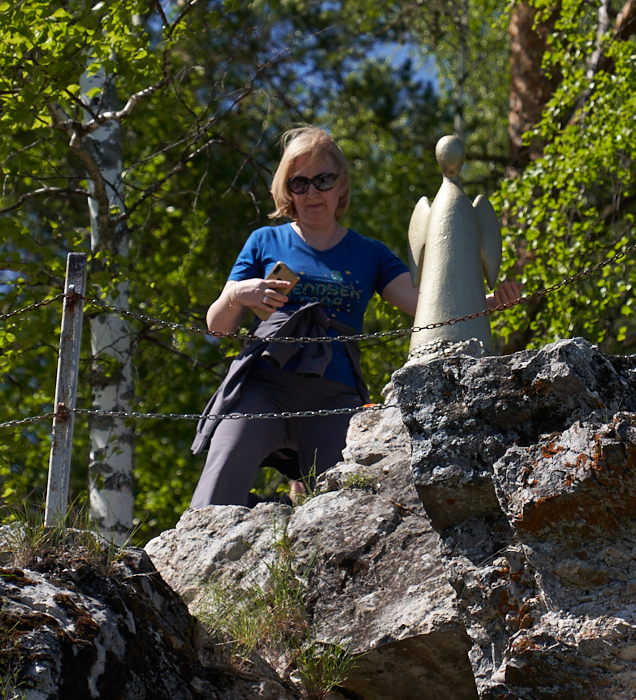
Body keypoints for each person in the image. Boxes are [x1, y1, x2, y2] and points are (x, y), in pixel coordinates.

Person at [190, 125, 520, 508]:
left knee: (343, 508)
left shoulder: (370, 253)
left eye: (323, 180)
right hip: (263, 389)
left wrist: (490, 301)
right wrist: (237, 294)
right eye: (299, 183)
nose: (312, 192)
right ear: (286, 190)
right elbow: (217, 326)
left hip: (335, 398)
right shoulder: (265, 241)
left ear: (341, 185)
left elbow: (428, 304)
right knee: (217, 489)